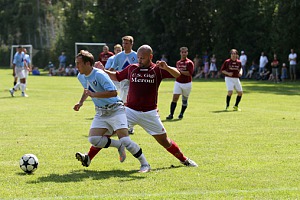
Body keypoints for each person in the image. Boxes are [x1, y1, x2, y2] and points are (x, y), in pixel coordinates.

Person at [98, 44, 198, 167]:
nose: (139, 61)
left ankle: (184, 160)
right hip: (130, 111)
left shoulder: (158, 69)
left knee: (165, 141)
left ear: (150, 57)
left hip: (150, 113)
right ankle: (88, 157)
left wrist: (166, 67)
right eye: (138, 58)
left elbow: (177, 74)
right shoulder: (132, 68)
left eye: (142, 58)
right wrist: (104, 71)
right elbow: (117, 76)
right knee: (107, 132)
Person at [73, 50, 150, 173]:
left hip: (115, 109)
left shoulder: (99, 74)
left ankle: (145, 164)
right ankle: (118, 145)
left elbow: (114, 92)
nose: (76, 66)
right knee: (94, 139)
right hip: (101, 112)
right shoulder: (80, 76)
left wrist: (95, 94)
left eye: (79, 63)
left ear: (88, 64)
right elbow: (86, 89)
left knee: (125, 139)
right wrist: (81, 102)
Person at [110, 36, 137, 134]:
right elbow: (113, 68)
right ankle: (127, 125)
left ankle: (128, 126)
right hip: (123, 82)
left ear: (131, 44)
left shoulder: (136, 55)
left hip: (134, 82)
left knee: (127, 104)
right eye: (123, 43)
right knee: (126, 104)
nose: (124, 45)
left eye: (126, 43)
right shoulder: (118, 56)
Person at [166, 47, 194, 120]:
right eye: (182, 52)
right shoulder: (178, 62)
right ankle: (171, 114)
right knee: (175, 98)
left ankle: (181, 113)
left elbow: (189, 73)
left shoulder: (189, 63)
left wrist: (179, 71)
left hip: (187, 83)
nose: (184, 53)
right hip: (178, 82)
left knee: (184, 99)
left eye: (185, 52)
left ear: (187, 53)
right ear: (180, 53)